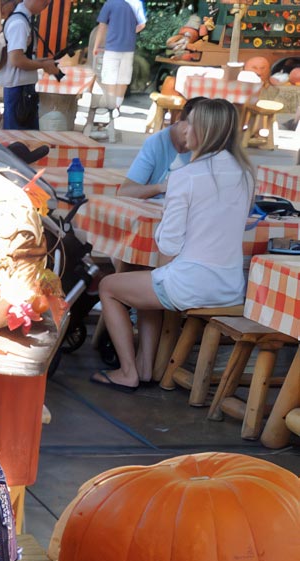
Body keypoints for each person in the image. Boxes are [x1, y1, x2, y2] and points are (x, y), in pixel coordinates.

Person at [92, 98, 254, 393]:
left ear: (203, 130)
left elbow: (169, 240)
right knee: (150, 283)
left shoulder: (186, 176)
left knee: (110, 286)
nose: (184, 128)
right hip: (231, 284)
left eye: (191, 122)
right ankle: (144, 367)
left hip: (193, 283)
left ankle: (128, 371)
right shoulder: (246, 173)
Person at [117, 95, 202, 200]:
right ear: (180, 118)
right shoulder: (156, 142)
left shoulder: (207, 146)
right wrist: (161, 187)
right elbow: (126, 192)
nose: (192, 133)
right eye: (191, 125)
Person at [0, 0, 59, 130]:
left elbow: (22, 56)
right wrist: (43, 65)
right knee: (17, 139)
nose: (47, 2)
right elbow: (16, 60)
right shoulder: (19, 23)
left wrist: (43, 62)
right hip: (18, 88)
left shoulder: (23, 19)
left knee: (26, 138)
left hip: (21, 86)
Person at [88, 0, 146, 115]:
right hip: (128, 47)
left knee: (109, 78)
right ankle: (117, 106)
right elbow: (142, 24)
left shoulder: (110, 3)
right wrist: (129, 32)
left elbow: (102, 26)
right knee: (123, 79)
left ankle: (110, 105)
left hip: (111, 47)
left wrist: (96, 46)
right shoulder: (136, 3)